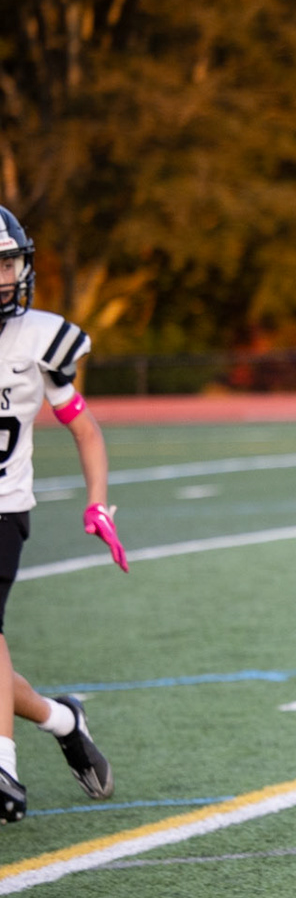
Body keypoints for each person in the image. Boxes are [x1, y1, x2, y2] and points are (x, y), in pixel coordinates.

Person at [0, 206, 124, 824]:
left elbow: (84, 428)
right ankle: (63, 719)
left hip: (3, 509)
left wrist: (97, 500)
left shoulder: (38, 338)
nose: (4, 276)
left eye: (9, 262)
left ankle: (3, 767)